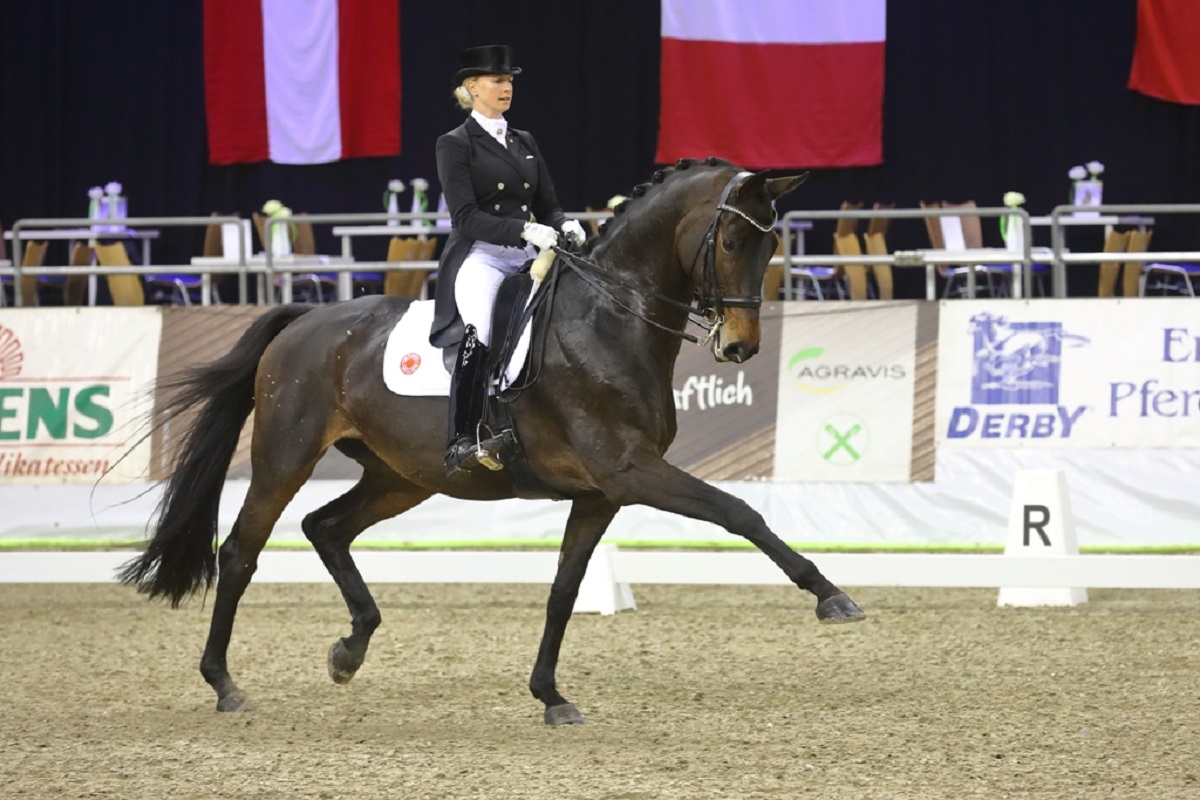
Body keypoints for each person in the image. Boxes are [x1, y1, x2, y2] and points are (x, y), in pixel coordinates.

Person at [430, 44, 586, 477]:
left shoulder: (524, 142)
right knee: (483, 330)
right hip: (480, 257)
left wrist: (565, 223)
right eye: (497, 81)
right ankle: (463, 437)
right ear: (472, 88)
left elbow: (548, 205)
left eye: (510, 81)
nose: (506, 88)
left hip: (527, 258)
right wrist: (523, 229)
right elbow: (465, 217)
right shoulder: (455, 144)